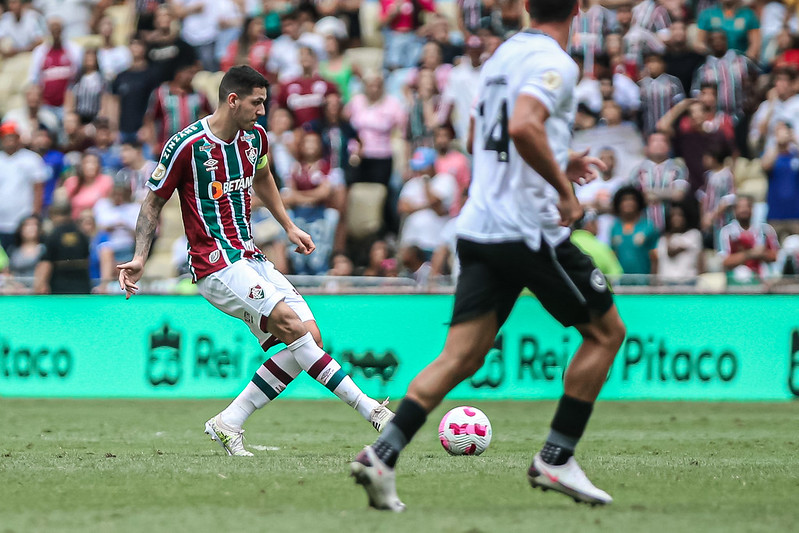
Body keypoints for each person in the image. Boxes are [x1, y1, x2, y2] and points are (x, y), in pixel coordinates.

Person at [349, 0, 625, 511]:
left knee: (462, 357)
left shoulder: (500, 57)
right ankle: (556, 458)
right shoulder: (557, 62)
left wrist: (561, 155)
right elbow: (522, 126)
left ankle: (381, 454)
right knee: (607, 334)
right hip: (528, 230)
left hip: (476, 226)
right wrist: (564, 187)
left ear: (524, 5)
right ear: (581, 7)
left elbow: (483, 137)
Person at [117, 66, 394, 457]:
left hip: (251, 255)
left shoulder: (256, 138)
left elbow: (263, 180)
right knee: (291, 326)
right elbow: (153, 202)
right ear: (233, 100)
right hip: (214, 263)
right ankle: (372, 411)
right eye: (257, 102)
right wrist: (140, 257)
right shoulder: (187, 144)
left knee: (308, 340)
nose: (263, 111)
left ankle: (229, 421)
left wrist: (288, 226)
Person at [0, 122, 48, 251]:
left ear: (18, 138)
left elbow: (38, 188)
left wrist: (35, 215)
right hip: (2, 222)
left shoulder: (31, 159)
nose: (9, 141)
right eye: (6, 137)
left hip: (23, 222)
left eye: (12, 137)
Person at [33, 198, 91, 294]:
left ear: (53, 213)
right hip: (82, 284)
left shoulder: (53, 235)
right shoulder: (81, 234)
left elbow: (46, 263)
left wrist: (40, 284)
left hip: (59, 285)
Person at [719, 195, 780, 284]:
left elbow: (776, 256)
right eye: (740, 207)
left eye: (747, 207)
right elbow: (725, 261)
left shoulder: (765, 229)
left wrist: (762, 253)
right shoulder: (727, 232)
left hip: (763, 272)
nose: (744, 210)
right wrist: (750, 254)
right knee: (742, 273)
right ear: (735, 211)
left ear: (752, 209)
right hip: (739, 274)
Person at [761, 121, 799, 240]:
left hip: (796, 214)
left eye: (784, 130)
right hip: (775, 214)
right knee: (774, 253)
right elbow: (765, 166)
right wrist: (777, 145)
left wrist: (795, 140)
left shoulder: (795, 155)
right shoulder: (770, 154)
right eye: (778, 131)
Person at [610, 185, 659, 277]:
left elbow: (655, 258)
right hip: (620, 281)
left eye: (632, 199)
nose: (628, 203)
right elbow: (613, 255)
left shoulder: (649, 227)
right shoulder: (615, 228)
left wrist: (653, 282)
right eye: (624, 200)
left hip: (643, 281)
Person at [656, 202, 703, 283]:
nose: (676, 218)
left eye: (680, 215)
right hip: (667, 284)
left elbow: (671, 252)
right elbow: (659, 263)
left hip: (689, 283)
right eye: (673, 216)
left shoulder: (693, 235)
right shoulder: (662, 239)